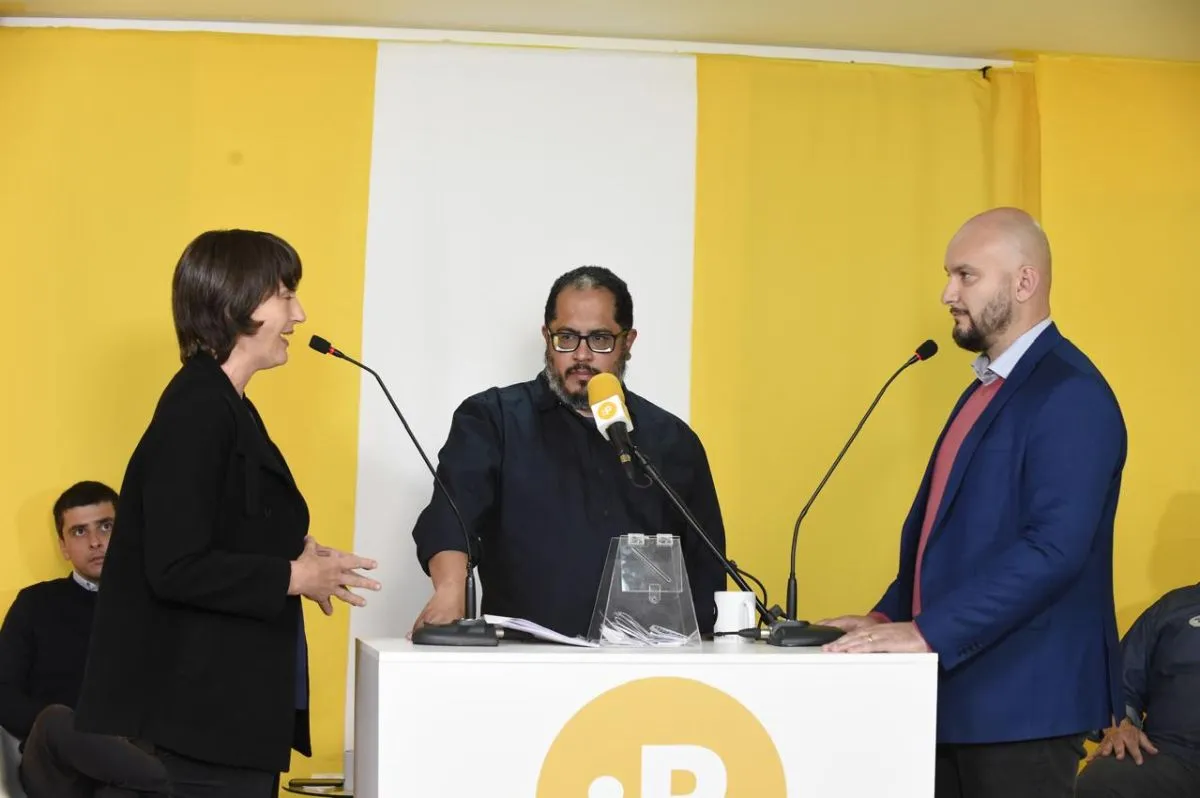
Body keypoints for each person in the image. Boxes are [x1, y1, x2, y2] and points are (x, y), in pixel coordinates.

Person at [820, 207, 1127, 798]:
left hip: (1022, 708)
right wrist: (889, 617)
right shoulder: (986, 387)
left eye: (966, 275)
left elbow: (1054, 549)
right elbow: (949, 537)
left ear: (1023, 282)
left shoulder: (1070, 394)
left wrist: (927, 632)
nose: (947, 293)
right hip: (958, 696)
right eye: (949, 275)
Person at [73, 230, 381, 798]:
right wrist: (293, 575)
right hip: (193, 726)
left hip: (222, 718)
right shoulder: (197, 411)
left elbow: (223, 521)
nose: (299, 313)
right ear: (237, 305)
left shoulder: (225, 404)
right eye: (285, 295)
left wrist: (297, 550)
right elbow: (175, 564)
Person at [410, 265, 727, 639]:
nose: (582, 355)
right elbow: (452, 517)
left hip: (644, 669)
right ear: (547, 337)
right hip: (525, 659)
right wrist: (449, 591)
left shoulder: (672, 439)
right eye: (566, 338)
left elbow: (705, 569)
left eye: (600, 339)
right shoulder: (493, 419)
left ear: (628, 342)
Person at [0, 481, 169, 798]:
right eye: (79, 532)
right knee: (55, 720)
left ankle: (155, 779)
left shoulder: (156, 604)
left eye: (106, 526)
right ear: (63, 546)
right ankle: (172, 785)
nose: (96, 542)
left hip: (133, 758)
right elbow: (3, 692)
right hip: (57, 768)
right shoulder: (36, 604)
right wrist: (88, 735)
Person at [1076, 581, 1200, 797]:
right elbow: (1118, 686)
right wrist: (1119, 727)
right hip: (1170, 755)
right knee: (1100, 784)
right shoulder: (1173, 607)